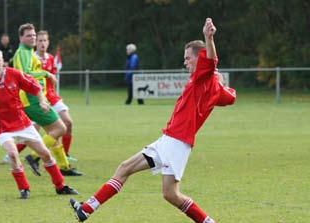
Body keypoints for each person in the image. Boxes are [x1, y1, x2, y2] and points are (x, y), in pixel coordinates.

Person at [69, 18, 236, 223]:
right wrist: (220, 83)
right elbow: (230, 98)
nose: (184, 62)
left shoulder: (203, 77)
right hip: (171, 139)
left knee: (168, 192)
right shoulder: (211, 84)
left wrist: (208, 38)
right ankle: (85, 209)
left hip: (176, 142)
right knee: (144, 179)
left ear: (199, 58)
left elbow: (211, 61)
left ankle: (87, 209)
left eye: (187, 58)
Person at [0, 49, 78, 199]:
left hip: (21, 122)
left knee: (45, 153)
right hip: (1, 126)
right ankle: (24, 189)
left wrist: (42, 101)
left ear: (3, 60)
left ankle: (60, 186)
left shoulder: (14, 74)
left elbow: (34, 86)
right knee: (12, 154)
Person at [13, 23, 81, 176]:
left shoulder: (28, 51)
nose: (33, 38)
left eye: (34, 35)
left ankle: (64, 167)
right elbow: (25, 74)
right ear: (21, 37)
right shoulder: (23, 52)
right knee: (60, 128)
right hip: (32, 99)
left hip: (37, 97)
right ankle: (34, 157)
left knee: (54, 133)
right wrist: (46, 74)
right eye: (29, 35)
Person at [35, 30, 77, 161]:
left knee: (68, 123)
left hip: (52, 96)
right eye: (40, 40)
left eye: (45, 40)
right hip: (38, 98)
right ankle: (13, 153)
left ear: (48, 42)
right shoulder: (32, 58)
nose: (43, 43)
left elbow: (51, 80)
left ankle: (66, 154)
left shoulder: (51, 58)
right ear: (36, 43)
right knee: (33, 131)